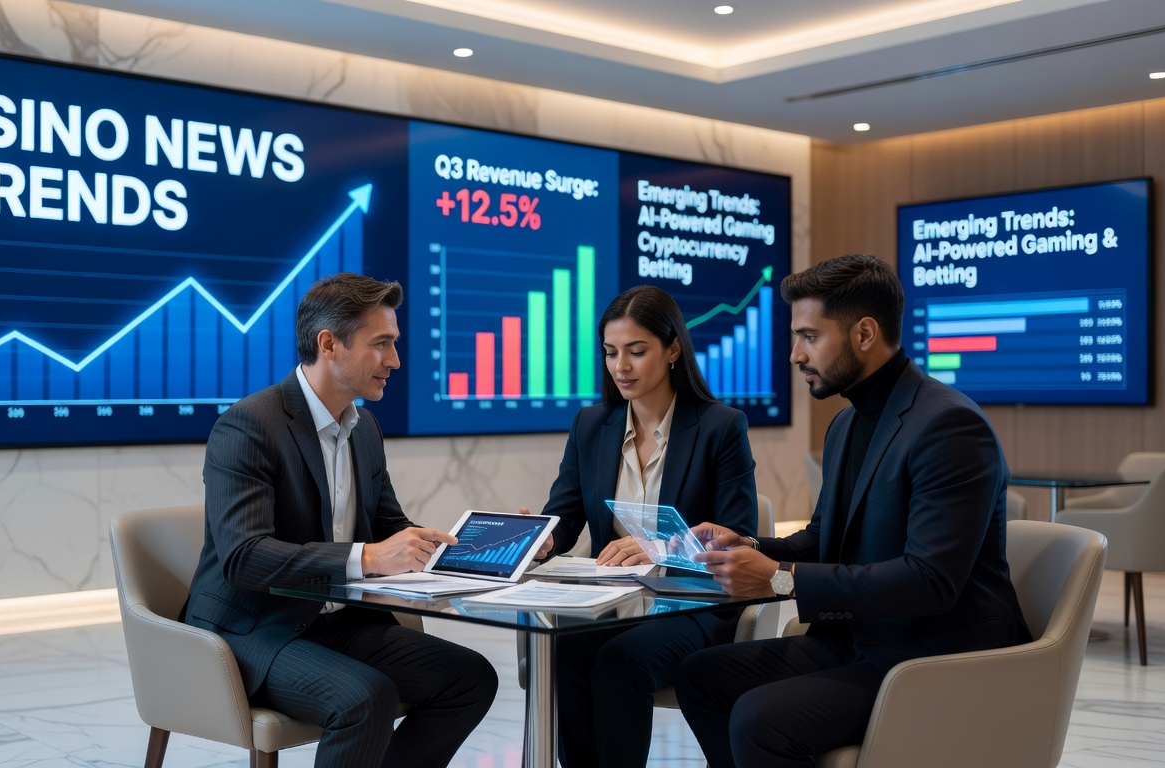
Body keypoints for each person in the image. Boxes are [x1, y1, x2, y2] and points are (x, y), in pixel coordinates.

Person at [675, 254, 1030, 768]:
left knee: (760, 717)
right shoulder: (845, 424)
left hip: (936, 655)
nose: (795, 354)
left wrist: (779, 580)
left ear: (865, 333)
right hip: (860, 639)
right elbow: (823, 537)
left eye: (809, 337)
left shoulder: (949, 427)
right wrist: (748, 546)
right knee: (701, 676)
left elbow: (930, 580)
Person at [183, 273, 498, 768]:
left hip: (338, 621)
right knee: (363, 697)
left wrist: (491, 550)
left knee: (471, 677)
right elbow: (244, 559)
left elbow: (395, 529)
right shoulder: (249, 425)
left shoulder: (364, 427)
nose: (395, 360)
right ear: (329, 344)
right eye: (382, 345)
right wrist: (367, 558)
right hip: (254, 629)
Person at [525, 284, 758, 768]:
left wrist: (660, 548)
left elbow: (737, 532)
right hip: (614, 602)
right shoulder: (591, 425)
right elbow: (565, 517)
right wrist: (542, 538)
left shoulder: (720, 427)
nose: (621, 367)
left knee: (620, 659)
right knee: (564, 645)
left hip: (694, 604)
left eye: (636, 351)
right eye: (611, 353)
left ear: (673, 349)